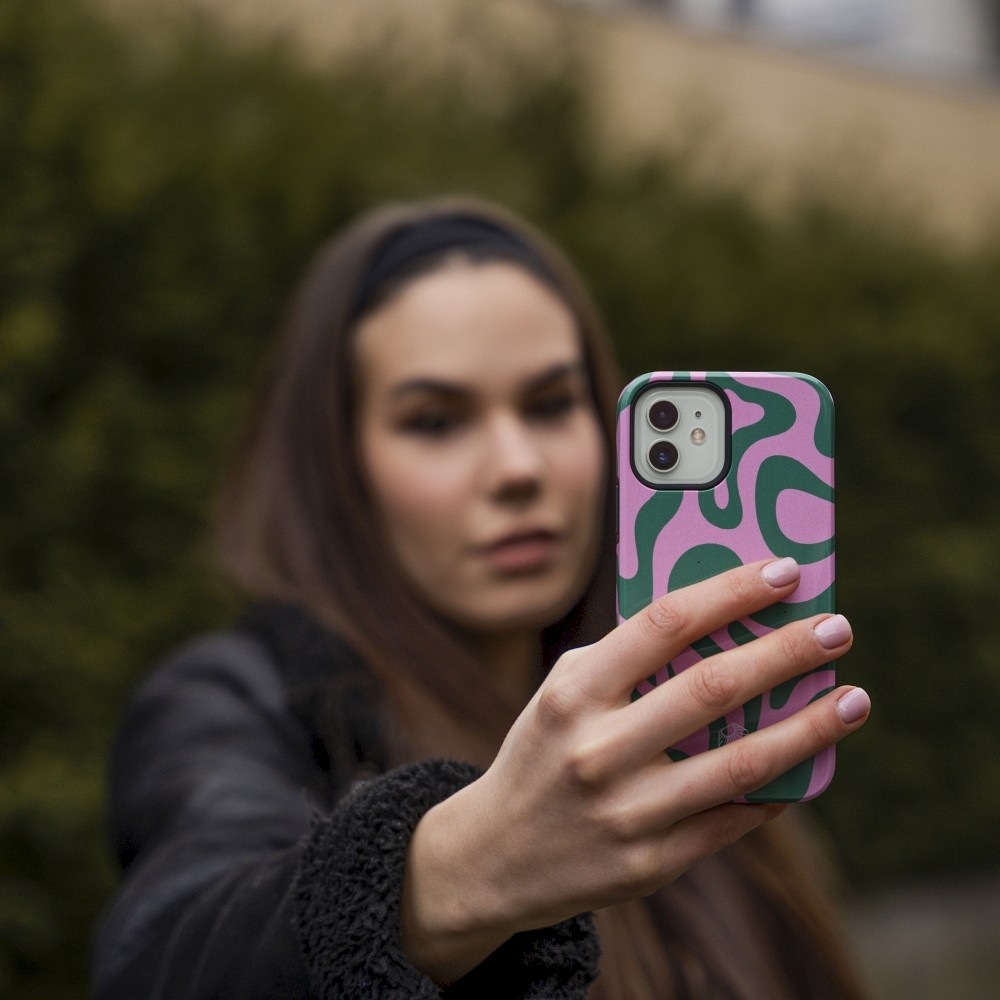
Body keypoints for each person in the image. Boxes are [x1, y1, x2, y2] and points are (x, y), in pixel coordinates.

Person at [91, 195, 873, 999]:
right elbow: (164, 949)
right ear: (339, 466)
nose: (517, 467)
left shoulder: (681, 702)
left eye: (551, 404)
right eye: (435, 421)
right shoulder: (234, 699)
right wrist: (449, 878)